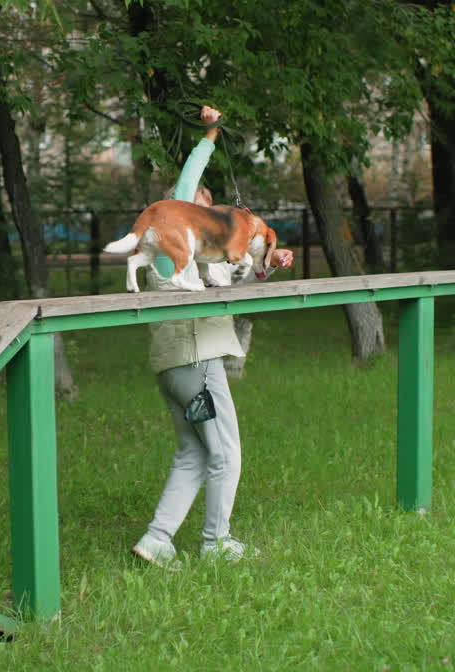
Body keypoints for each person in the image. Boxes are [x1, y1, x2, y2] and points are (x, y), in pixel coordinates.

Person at [130, 106, 294, 570]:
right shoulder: (166, 248)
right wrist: (210, 135)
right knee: (227, 454)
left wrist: (268, 266)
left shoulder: (209, 256)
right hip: (195, 362)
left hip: (177, 364)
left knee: (194, 453)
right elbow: (185, 186)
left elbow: (235, 294)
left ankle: (157, 539)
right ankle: (216, 542)